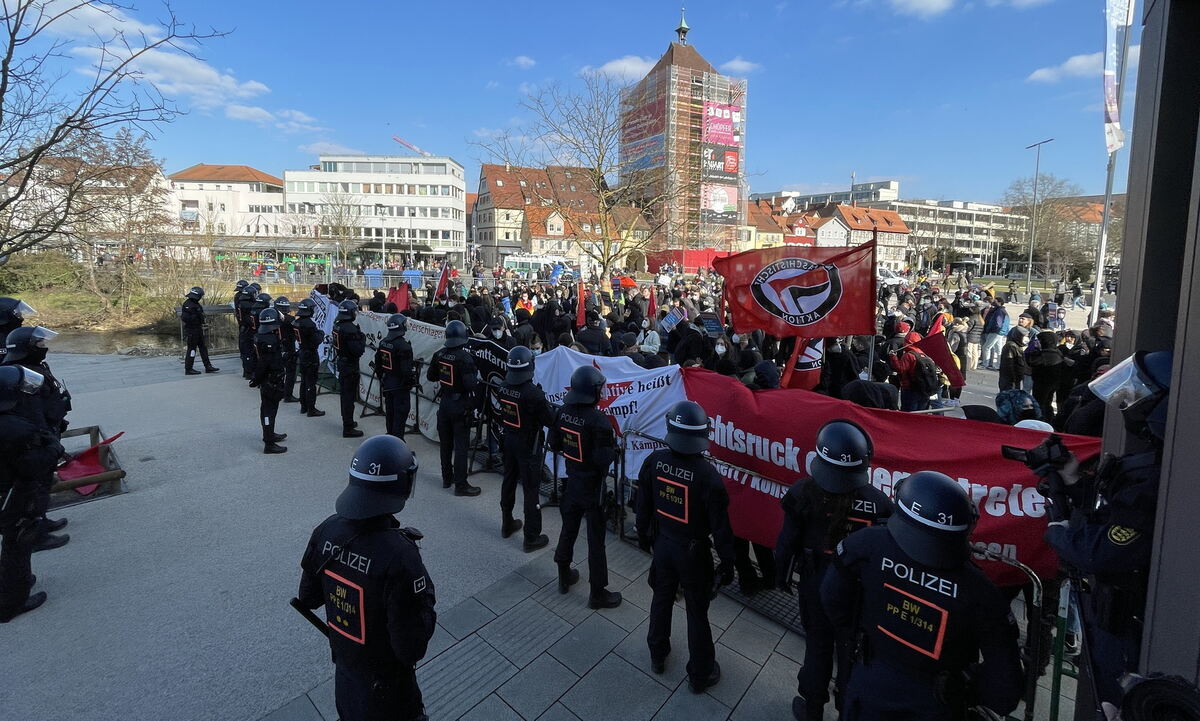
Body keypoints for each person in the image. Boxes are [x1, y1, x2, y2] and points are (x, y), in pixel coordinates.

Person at [822, 471, 1023, 720]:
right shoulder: (982, 592)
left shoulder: (867, 545)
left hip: (872, 680)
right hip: (936, 700)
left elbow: (832, 597)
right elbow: (1005, 688)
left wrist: (856, 633)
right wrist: (963, 689)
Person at [1044, 351, 1170, 711]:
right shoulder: (1147, 462)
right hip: (1113, 613)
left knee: (1117, 703)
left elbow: (1099, 552)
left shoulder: (1153, 478)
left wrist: (1058, 529)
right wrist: (1071, 480)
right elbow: (1107, 507)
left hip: (1130, 623)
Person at [297, 435, 435, 721]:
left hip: (346, 680)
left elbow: (308, 598)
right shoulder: (400, 555)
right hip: (391, 694)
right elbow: (411, 648)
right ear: (403, 485)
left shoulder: (327, 530)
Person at [775, 420, 891, 721]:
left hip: (815, 586)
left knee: (817, 648)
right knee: (851, 655)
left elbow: (786, 542)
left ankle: (812, 709)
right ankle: (846, 711)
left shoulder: (803, 492)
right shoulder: (879, 504)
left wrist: (781, 576)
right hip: (857, 596)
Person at [635, 400, 734, 692]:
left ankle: (657, 653)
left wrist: (643, 535)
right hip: (693, 552)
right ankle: (701, 673)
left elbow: (643, 504)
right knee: (696, 611)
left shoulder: (655, 461)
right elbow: (721, 527)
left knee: (661, 598)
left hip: (663, 543)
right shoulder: (708, 476)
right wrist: (727, 562)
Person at [548, 365, 621, 609]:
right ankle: (597, 592)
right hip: (592, 487)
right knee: (595, 540)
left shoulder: (563, 412)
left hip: (571, 480)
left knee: (568, 529)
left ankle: (563, 575)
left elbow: (554, 443)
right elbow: (603, 460)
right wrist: (614, 451)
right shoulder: (599, 421)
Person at [3, 325, 70, 551]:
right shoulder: (18, 374)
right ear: (27, 347)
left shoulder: (34, 367)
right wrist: (44, 438)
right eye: (40, 344)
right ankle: (35, 535)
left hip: (48, 428)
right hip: (36, 436)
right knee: (34, 487)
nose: (44, 347)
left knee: (43, 484)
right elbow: (30, 410)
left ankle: (41, 520)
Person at [0, 365, 55, 622]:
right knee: (17, 543)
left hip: (6, 493)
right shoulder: (13, 428)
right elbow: (33, 464)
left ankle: (12, 582)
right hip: (14, 495)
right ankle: (12, 600)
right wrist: (51, 449)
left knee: (12, 542)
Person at [495, 346, 553, 552]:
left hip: (509, 439)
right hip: (529, 445)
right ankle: (531, 536)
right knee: (531, 489)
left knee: (509, 480)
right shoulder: (533, 394)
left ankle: (506, 522)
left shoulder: (503, 386)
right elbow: (550, 419)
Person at [425, 320, 481, 496]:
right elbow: (471, 385)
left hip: (445, 403)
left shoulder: (439, 354)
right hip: (460, 405)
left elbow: (431, 376)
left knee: (446, 444)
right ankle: (461, 485)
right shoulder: (465, 358)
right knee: (461, 446)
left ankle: (446, 478)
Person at [250, 308, 288, 455]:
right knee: (268, 411)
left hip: (268, 379)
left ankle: (270, 434)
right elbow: (264, 363)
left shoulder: (260, 336)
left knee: (270, 409)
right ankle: (269, 443)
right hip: (271, 379)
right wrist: (256, 379)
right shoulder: (270, 340)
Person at [374, 314, 415, 439]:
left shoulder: (383, 343)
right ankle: (398, 442)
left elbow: (378, 364)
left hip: (388, 382)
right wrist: (409, 383)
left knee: (390, 412)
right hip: (400, 385)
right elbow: (406, 370)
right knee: (400, 414)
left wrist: (382, 378)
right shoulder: (404, 346)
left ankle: (390, 437)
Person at [333, 300, 366, 439]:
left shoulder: (338, 326)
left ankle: (348, 421)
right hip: (350, 365)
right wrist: (362, 338)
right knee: (349, 397)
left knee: (345, 396)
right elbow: (357, 350)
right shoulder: (350, 329)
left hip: (342, 362)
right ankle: (348, 427)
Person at [295, 299, 326, 418]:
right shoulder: (309, 324)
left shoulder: (297, 322)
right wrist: (321, 333)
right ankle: (311, 408)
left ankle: (304, 406)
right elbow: (317, 339)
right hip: (310, 354)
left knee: (304, 380)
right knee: (311, 383)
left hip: (302, 352)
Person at [181, 287, 219, 376]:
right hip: (191, 330)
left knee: (203, 348)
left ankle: (208, 366)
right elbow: (185, 318)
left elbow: (200, 315)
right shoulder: (188, 304)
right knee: (192, 350)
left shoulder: (195, 303)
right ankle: (188, 369)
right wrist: (196, 315)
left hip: (198, 329)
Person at [274, 297, 299, 403]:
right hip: (289, 348)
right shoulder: (291, 320)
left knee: (278, 372)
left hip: (276, 348)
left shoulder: (272, 318)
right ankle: (288, 395)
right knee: (290, 373)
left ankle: (279, 391)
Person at [0, 297, 35, 365]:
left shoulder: (14, 334)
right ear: (5, 316)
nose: (21, 316)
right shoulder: (3, 338)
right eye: (16, 313)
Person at [237, 283, 260, 379]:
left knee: (245, 351)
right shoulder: (251, 305)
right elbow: (252, 320)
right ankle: (250, 372)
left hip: (243, 329)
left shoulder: (240, 303)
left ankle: (246, 371)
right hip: (250, 330)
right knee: (251, 352)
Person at [999, 327, 1031, 392]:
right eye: (1024, 337)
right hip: (1010, 380)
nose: (1026, 339)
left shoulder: (1017, 346)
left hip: (1015, 379)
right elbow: (1009, 365)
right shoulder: (1011, 346)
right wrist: (1013, 379)